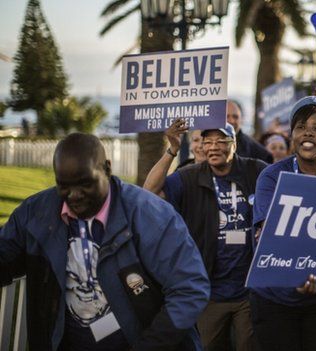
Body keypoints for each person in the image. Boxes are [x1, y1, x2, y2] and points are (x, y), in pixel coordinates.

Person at [0, 133, 210, 350]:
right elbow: (5, 255)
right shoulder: (36, 213)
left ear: (107, 169)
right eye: (64, 186)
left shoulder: (150, 215)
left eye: (85, 184)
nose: (74, 195)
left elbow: (189, 289)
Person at [143, 120, 266, 351]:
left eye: (221, 141)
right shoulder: (190, 176)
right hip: (210, 290)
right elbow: (149, 191)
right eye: (207, 141)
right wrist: (172, 149)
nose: (213, 147)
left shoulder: (255, 170)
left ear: (234, 144)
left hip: (249, 290)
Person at [251, 95, 316, 351]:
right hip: (274, 299)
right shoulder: (271, 176)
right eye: (301, 127)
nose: (307, 133)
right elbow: (267, 234)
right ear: (292, 134)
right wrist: (296, 271)